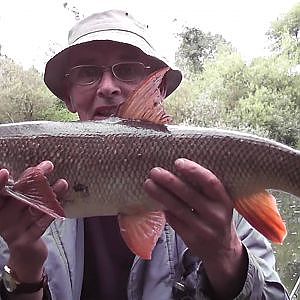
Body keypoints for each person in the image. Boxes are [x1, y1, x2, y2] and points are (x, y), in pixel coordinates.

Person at [0, 9, 290, 300]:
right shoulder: (11, 213)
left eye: (127, 70)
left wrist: (226, 254)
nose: (108, 87)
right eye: (88, 73)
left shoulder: (213, 190)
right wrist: (24, 267)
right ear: (69, 97)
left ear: (158, 90)